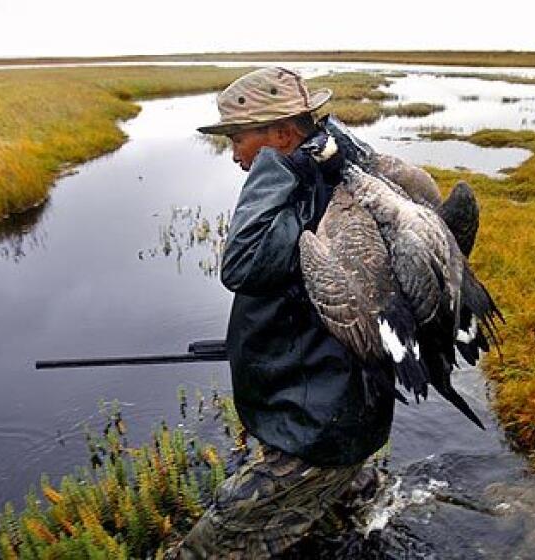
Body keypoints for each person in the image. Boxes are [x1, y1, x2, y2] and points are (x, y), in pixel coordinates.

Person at [169, 67, 395, 559]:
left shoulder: (298, 178)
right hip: (344, 412)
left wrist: (275, 167)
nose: (233, 155)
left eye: (238, 139)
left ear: (284, 133)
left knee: (210, 544)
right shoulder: (340, 175)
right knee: (350, 513)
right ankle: (363, 512)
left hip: (318, 427)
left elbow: (242, 266)